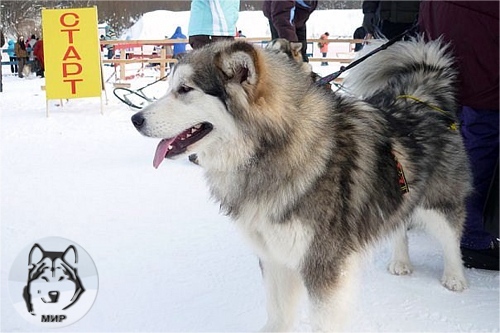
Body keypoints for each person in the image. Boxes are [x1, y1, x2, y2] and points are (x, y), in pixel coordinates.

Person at [419, 1, 499, 270]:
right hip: (482, 51)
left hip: (452, 37)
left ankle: (451, 221)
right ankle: (471, 235)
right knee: (482, 136)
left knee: (463, 132)